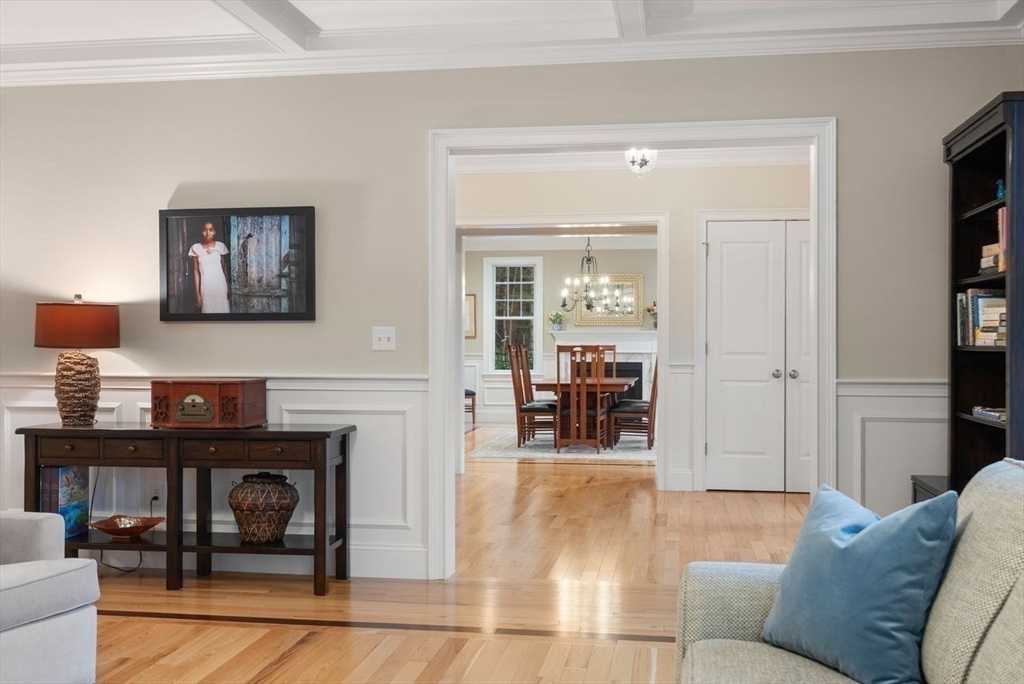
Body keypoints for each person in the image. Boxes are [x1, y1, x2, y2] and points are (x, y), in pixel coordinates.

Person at [188, 221, 230, 313]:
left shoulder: (220, 246)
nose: (208, 233)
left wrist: (228, 286)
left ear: (215, 232)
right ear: (201, 231)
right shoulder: (195, 248)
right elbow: (196, 272)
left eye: (211, 230)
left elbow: (224, 268)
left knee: (223, 312)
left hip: (220, 287)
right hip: (205, 287)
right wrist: (197, 294)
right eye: (205, 230)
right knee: (207, 312)